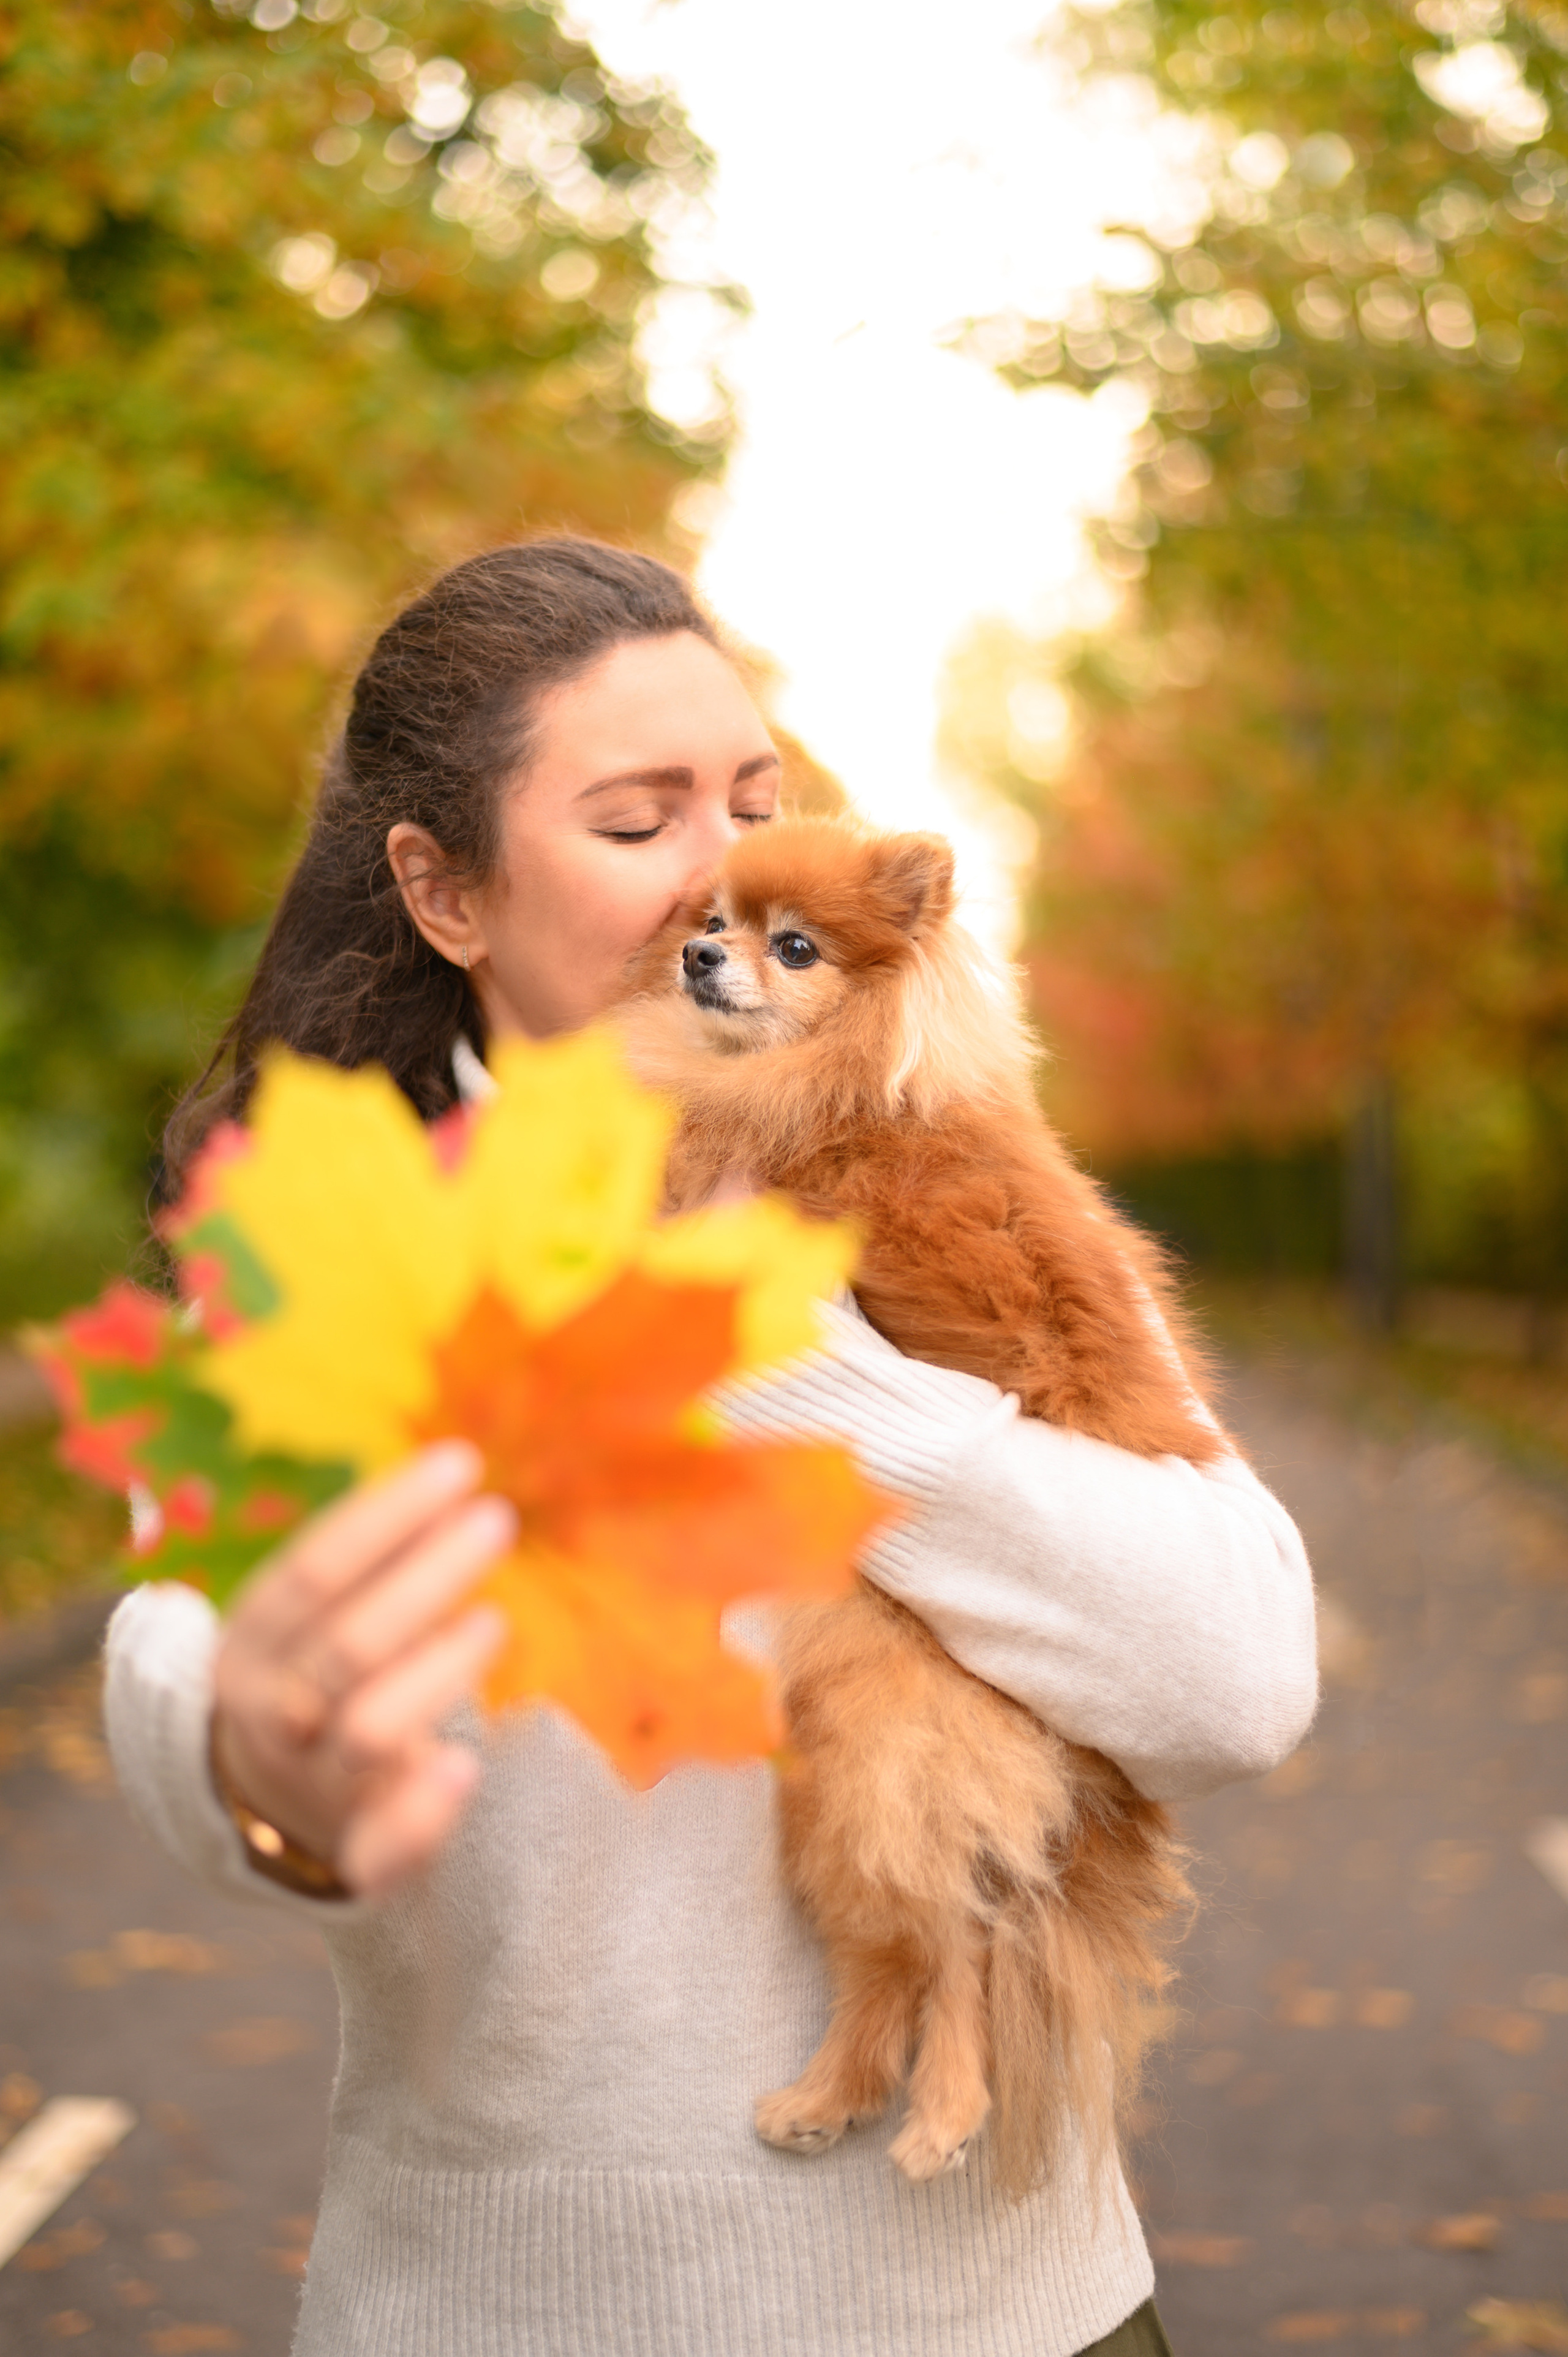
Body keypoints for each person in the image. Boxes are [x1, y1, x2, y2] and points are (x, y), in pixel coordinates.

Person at [104, 538, 1319, 2357]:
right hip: (508, 2316)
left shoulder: (975, 1177)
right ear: (445, 893)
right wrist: (249, 1751)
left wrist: (813, 1374)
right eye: (636, 819)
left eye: (754, 800)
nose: (721, 867)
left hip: (1013, 2311)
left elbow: (1239, 1677)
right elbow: (196, 1660)